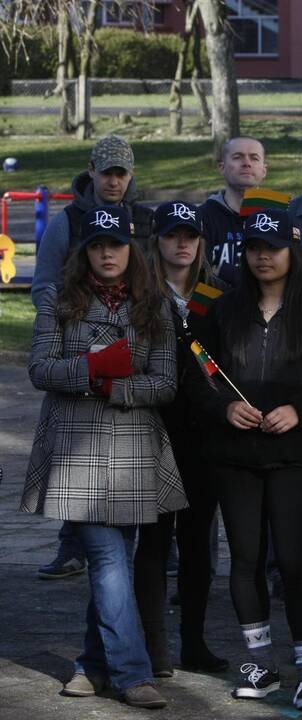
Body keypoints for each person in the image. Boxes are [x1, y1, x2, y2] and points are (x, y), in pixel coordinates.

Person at [185, 207, 302, 711]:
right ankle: (260, 663)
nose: (264, 257)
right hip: (236, 456)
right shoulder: (222, 310)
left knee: (296, 561)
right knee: (244, 560)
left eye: (274, 248)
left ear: (292, 251)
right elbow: (198, 374)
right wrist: (225, 407)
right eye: (255, 248)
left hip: (297, 456)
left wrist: (299, 410)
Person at [22, 205, 186, 709]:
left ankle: (91, 665)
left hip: (134, 448)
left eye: (114, 245)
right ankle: (133, 673)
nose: (106, 254)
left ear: (130, 250)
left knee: (114, 562)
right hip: (75, 447)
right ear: (84, 252)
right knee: (108, 558)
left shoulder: (155, 305)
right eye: (96, 246)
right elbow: (40, 369)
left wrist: (116, 386)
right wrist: (92, 370)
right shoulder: (57, 300)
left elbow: (165, 384)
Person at [131, 200, 230, 678]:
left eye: (190, 235)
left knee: (197, 545)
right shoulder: (139, 293)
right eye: (173, 235)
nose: (183, 243)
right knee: (153, 542)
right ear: (157, 241)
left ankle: (194, 641)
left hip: (204, 435)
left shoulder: (216, 293)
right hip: (152, 428)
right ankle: (155, 647)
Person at [32, 135, 153, 309]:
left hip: (140, 328)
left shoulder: (148, 222)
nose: (113, 182)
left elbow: (178, 281)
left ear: (131, 173)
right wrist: (72, 326)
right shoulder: (65, 223)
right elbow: (43, 288)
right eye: (106, 173)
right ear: (91, 170)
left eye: (120, 174)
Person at [200, 135, 268, 286]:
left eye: (254, 158)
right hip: (216, 305)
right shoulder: (203, 216)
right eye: (238, 157)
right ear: (222, 168)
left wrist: (224, 273)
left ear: (264, 170)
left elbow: (286, 277)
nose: (247, 163)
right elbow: (198, 277)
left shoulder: (280, 215)